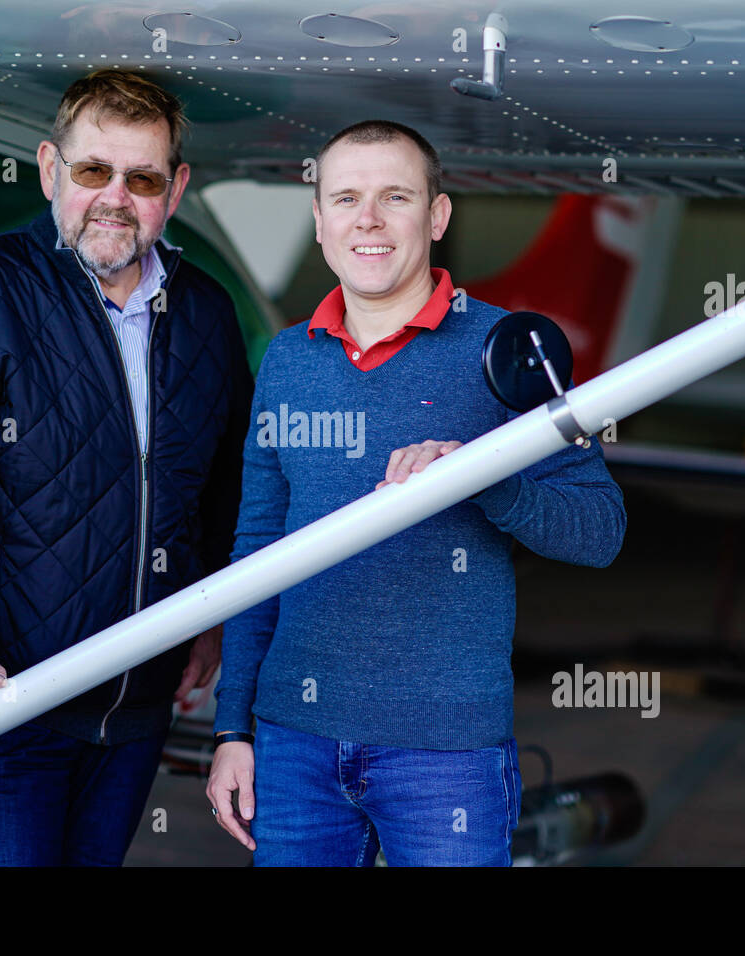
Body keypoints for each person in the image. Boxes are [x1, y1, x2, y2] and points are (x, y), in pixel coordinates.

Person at [205, 120, 626, 866]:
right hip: (293, 745)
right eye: (346, 198)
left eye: (394, 197)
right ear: (321, 220)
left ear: (436, 216)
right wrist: (233, 729)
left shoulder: (513, 353)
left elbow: (599, 531)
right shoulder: (285, 362)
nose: (367, 220)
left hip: (445, 757)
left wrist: (485, 478)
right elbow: (256, 552)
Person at [0, 69, 253, 866]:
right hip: (6, 707)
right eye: (93, 172)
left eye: (142, 178)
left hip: (136, 717)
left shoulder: (208, 313)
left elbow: (223, 485)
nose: (116, 197)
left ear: (175, 189)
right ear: (51, 169)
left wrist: (212, 608)